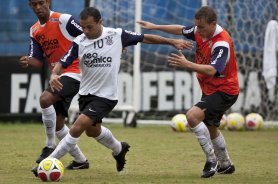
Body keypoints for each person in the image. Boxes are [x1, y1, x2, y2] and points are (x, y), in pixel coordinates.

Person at [48, 7, 191, 173]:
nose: (85, 31)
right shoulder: (79, 41)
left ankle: (48, 162)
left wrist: (171, 41)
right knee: (92, 131)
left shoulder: (116, 35)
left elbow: (146, 38)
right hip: (86, 94)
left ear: (100, 22)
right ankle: (119, 149)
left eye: (89, 27)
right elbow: (63, 62)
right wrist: (54, 75)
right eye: (83, 27)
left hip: (106, 96)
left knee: (77, 126)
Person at [137, 6, 239, 178]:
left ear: (213, 24)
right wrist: (154, 26)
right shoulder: (201, 30)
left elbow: (212, 70)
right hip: (211, 89)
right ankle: (226, 164)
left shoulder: (221, 42)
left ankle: (211, 160)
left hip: (225, 90)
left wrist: (187, 65)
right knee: (211, 128)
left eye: (202, 27)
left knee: (192, 116)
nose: (198, 31)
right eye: (197, 27)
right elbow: (180, 29)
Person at [19, 0, 89, 176]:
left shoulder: (63, 19)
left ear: (48, 2)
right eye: (34, 4)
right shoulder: (34, 30)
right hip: (58, 76)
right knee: (58, 126)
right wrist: (27, 60)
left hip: (76, 71)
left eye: (41, 3)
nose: (38, 7)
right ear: (30, 6)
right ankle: (81, 161)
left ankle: (49, 146)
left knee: (45, 98)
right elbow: (37, 59)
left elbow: (89, 33)